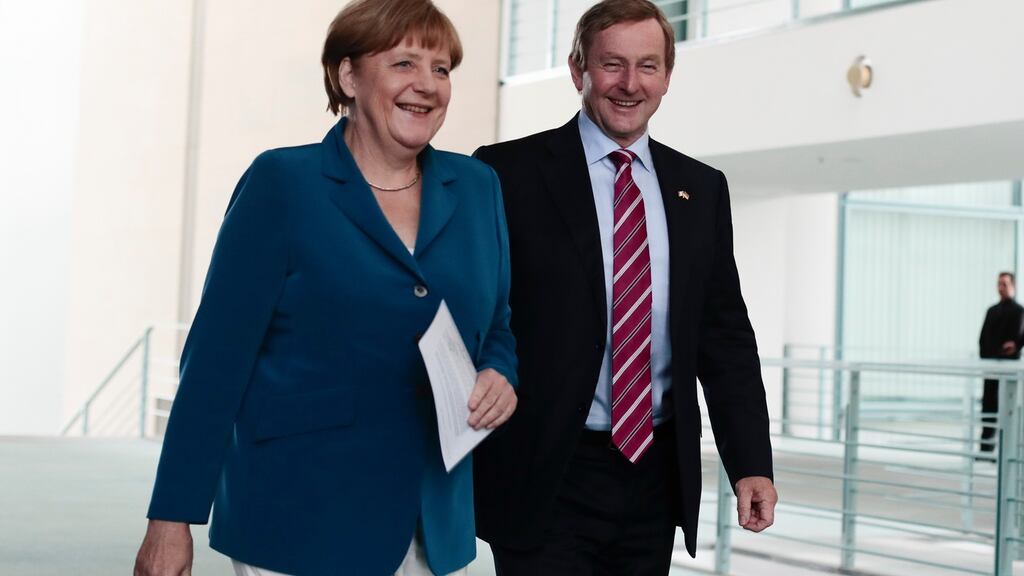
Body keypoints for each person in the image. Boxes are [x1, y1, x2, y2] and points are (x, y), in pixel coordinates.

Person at [133, 1, 518, 575]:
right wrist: (171, 518)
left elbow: (499, 323)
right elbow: (216, 360)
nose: (427, 86)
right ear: (347, 76)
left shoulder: (478, 186)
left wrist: (500, 373)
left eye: (442, 69)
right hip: (300, 515)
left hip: (431, 519)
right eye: (404, 64)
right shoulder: (283, 184)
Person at [471, 1, 776, 573]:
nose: (630, 84)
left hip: (655, 478)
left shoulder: (701, 189)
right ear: (577, 69)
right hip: (547, 472)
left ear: (667, 76)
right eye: (612, 64)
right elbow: (474, 313)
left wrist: (751, 462)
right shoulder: (504, 174)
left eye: (648, 66)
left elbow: (725, 336)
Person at [978, 271, 1024, 455]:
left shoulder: (1019, 311)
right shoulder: (992, 310)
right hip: (991, 367)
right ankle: (985, 448)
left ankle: (1007, 451)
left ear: (1013, 286)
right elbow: (982, 339)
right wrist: (989, 357)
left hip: (1008, 369)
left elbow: (1017, 340)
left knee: (1007, 408)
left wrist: (1014, 346)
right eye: (999, 283)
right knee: (988, 405)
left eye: (1004, 284)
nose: (1000, 287)